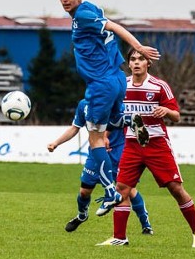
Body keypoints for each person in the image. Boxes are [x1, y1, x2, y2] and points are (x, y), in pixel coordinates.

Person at [58, 0, 160, 216]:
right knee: (114, 122)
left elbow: (114, 26)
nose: (65, 0)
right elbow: (107, 23)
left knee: (95, 139)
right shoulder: (90, 10)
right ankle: (128, 119)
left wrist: (138, 48)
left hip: (100, 84)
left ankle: (110, 191)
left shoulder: (83, 15)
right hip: (116, 78)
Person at [97, 49, 195, 248]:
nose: (136, 63)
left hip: (157, 144)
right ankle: (119, 237)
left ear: (148, 64)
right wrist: (105, 136)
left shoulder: (159, 86)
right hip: (132, 144)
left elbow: (177, 116)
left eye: (141, 59)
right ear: (128, 64)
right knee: (122, 189)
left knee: (176, 189)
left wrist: (166, 111)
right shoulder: (121, 86)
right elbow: (114, 116)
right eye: (133, 59)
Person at [48, 98, 153, 234]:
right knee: (84, 192)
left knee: (128, 190)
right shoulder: (84, 104)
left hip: (117, 150)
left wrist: (104, 136)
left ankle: (146, 225)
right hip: (95, 151)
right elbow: (75, 127)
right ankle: (82, 215)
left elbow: (114, 122)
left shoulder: (114, 101)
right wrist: (56, 143)